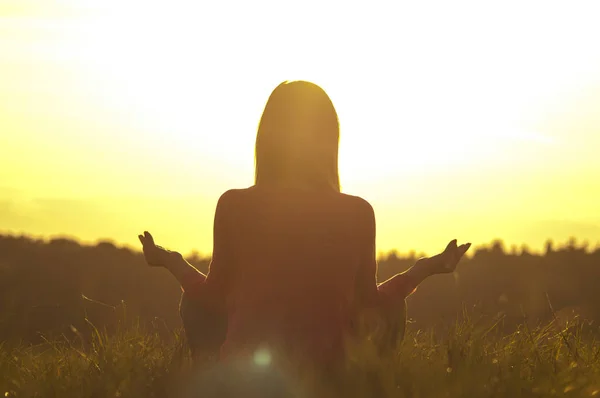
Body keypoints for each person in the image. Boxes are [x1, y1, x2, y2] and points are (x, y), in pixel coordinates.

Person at [138, 81, 470, 371]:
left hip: (248, 374)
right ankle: (372, 383)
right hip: (329, 373)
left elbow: (212, 297)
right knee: (393, 306)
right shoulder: (358, 211)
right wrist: (423, 269)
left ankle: (211, 379)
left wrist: (171, 260)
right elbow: (371, 303)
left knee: (194, 302)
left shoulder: (234, 204)